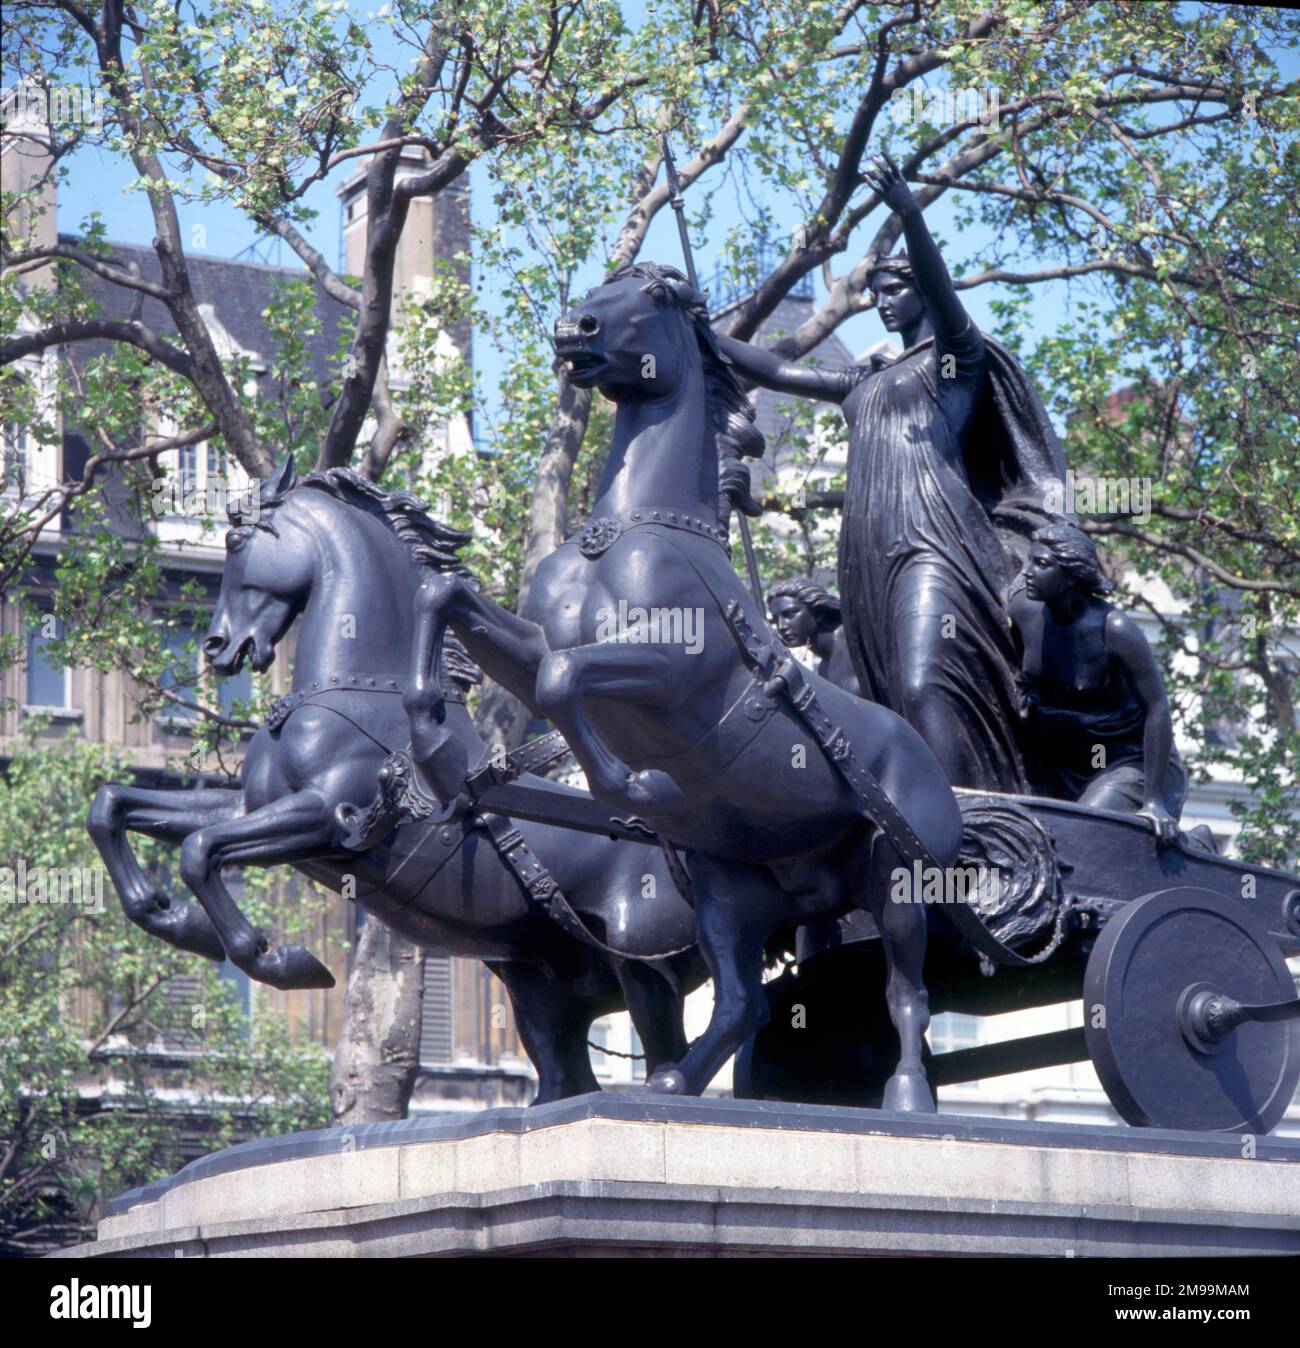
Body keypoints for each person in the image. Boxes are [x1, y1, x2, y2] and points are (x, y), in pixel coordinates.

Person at [715, 153, 1066, 792]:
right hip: (868, 550)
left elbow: (945, 294)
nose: (882, 302)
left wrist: (908, 213)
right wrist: (690, 329)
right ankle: (903, 819)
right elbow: (772, 370)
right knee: (887, 698)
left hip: (937, 538)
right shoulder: (863, 381)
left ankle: (972, 824)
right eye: (874, 293)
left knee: (925, 676)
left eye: (895, 290)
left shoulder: (956, 362)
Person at [1008, 522, 1184, 845]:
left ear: (1073, 575)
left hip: (1130, 763)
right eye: (1028, 561)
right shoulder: (1022, 609)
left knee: (1076, 836)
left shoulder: (1114, 629)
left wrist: (1153, 802)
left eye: (1042, 564)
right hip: (1066, 759)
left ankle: (1196, 843)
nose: (1028, 572)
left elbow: (1157, 709)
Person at [766, 578, 861, 696]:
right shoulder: (823, 669)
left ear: (818, 613)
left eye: (790, 614)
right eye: (775, 620)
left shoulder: (856, 644)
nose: (781, 626)